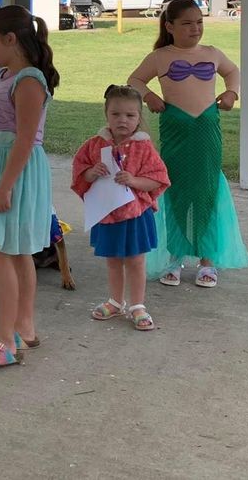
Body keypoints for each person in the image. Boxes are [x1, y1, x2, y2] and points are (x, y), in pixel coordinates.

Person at [127, 0, 248, 288]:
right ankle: (175, 256)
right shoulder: (160, 56)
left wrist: (232, 92)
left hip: (206, 130)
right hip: (175, 130)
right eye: (186, 23)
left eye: (199, 22)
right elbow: (135, 79)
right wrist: (150, 96)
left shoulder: (212, 53)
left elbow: (233, 71)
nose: (195, 28)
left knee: (207, 189)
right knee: (174, 189)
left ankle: (208, 260)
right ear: (169, 26)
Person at [0, 5, 58, 368]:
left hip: (13, 171)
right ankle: (23, 328)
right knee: (14, 251)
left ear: (10, 39)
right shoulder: (3, 74)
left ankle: (4, 338)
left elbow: (24, 139)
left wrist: (5, 186)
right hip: (0, 167)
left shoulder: (29, 80)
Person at [70, 85, 169, 331]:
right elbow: (80, 172)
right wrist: (91, 172)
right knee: (113, 260)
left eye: (130, 115)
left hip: (135, 215)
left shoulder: (143, 148)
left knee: (135, 261)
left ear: (139, 117)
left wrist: (134, 181)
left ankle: (137, 305)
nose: (122, 120)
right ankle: (115, 301)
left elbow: (158, 178)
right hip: (107, 214)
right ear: (106, 114)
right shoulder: (94, 145)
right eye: (116, 114)